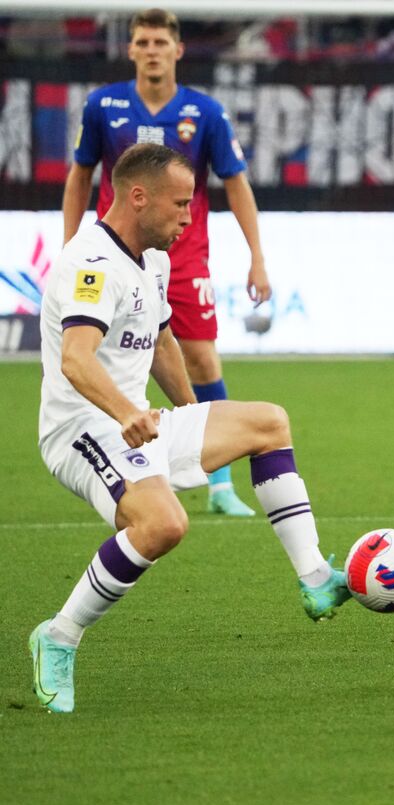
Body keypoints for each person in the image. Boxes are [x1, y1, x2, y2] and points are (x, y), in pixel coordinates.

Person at [29, 144, 349, 715]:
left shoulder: (154, 259)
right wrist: (126, 412)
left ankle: (316, 576)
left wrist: (194, 417)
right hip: (81, 429)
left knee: (268, 422)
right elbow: (78, 361)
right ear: (137, 196)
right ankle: (59, 636)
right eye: (180, 205)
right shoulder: (91, 264)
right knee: (163, 525)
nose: (188, 218)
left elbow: (161, 343)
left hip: (136, 424)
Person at [62, 7, 271, 519]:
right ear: (131, 49)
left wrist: (257, 256)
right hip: (119, 257)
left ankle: (220, 485)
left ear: (178, 50)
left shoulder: (204, 113)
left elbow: (235, 183)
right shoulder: (102, 106)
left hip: (185, 256)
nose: (151, 50)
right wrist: (69, 244)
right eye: (143, 41)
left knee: (199, 360)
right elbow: (79, 176)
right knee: (105, 355)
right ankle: (122, 459)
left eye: (160, 42)